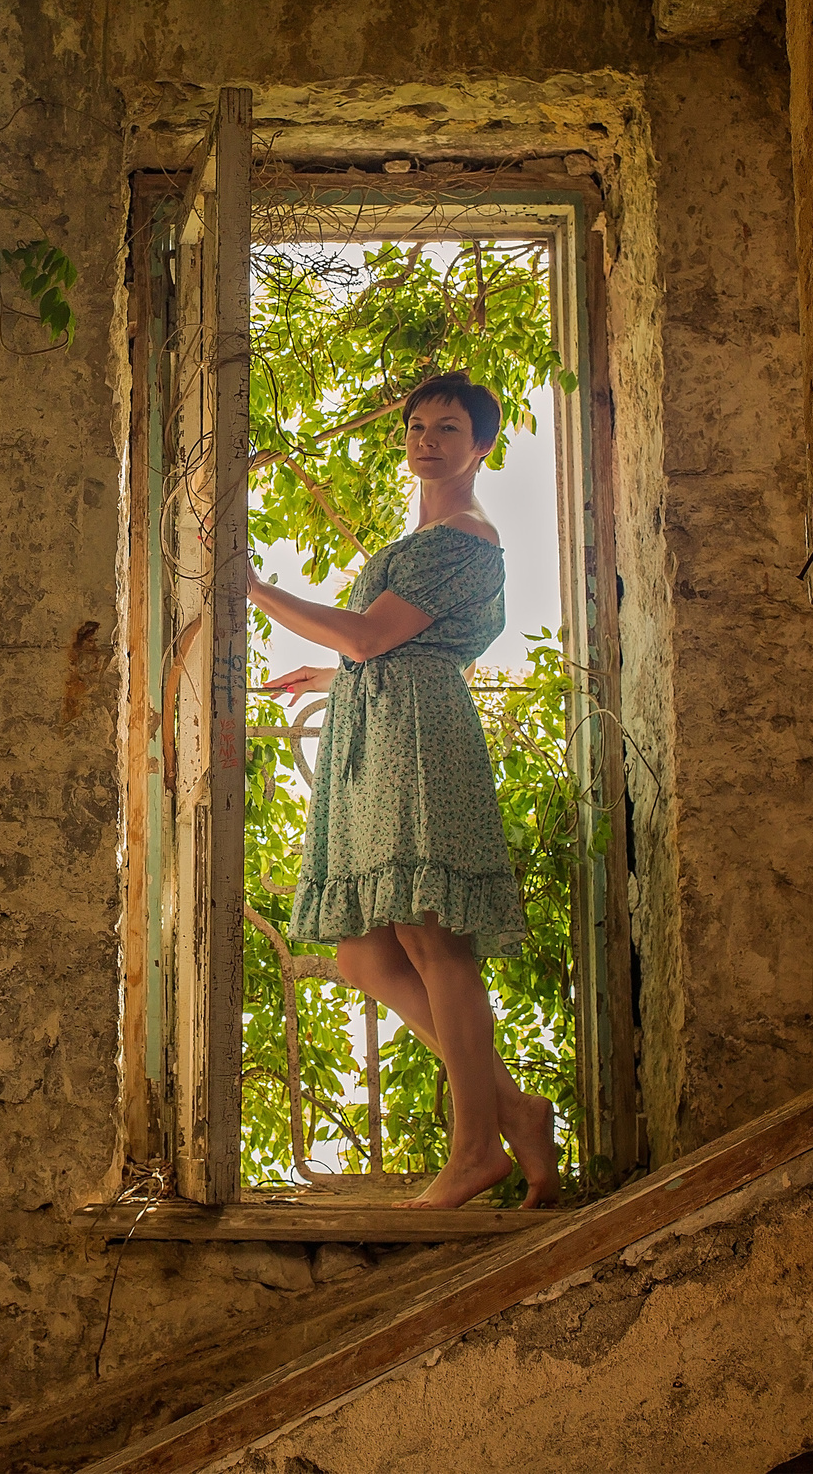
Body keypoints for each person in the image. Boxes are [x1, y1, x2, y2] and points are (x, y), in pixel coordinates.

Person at [247, 371, 558, 1210]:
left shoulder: (465, 536)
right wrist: (334, 673)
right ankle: (515, 1113)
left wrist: (252, 587)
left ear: (481, 445)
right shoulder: (430, 534)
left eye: (448, 428)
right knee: (365, 951)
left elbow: (371, 631)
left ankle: (471, 1151)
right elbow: (377, 643)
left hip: (419, 739)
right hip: (380, 729)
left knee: (431, 939)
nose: (426, 438)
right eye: (418, 425)